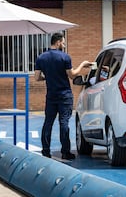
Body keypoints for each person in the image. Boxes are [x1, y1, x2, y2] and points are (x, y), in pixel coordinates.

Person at [34, 32, 91, 160]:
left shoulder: (41, 58)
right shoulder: (65, 57)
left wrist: (49, 76)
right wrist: (83, 64)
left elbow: (37, 77)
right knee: (64, 122)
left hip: (51, 95)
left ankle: (45, 150)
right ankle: (65, 152)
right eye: (63, 42)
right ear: (58, 42)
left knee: (48, 122)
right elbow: (72, 75)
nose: (64, 45)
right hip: (64, 95)